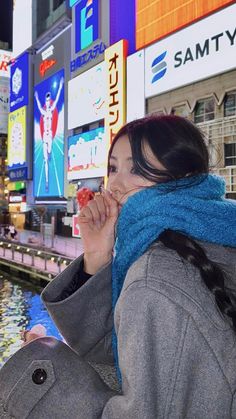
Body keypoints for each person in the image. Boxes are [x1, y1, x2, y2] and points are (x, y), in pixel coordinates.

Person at [0, 115, 236, 418]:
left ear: (183, 176)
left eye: (137, 169)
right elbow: (122, 358)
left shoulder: (154, 278)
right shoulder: (213, 234)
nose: (114, 185)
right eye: (112, 168)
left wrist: (39, 375)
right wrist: (96, 256)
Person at [34, 77, 64, 191]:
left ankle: (50, 153)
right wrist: (36, 97)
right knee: (45, 159)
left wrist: (60, 86)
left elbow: (56, 99)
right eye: (46, 101)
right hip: (44, 137)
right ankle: (46, 182)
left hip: (50, 135)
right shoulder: (43, 111)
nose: (47, 103)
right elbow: (37, 105)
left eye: (48, 101)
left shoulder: (51, 110)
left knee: (49, 152)